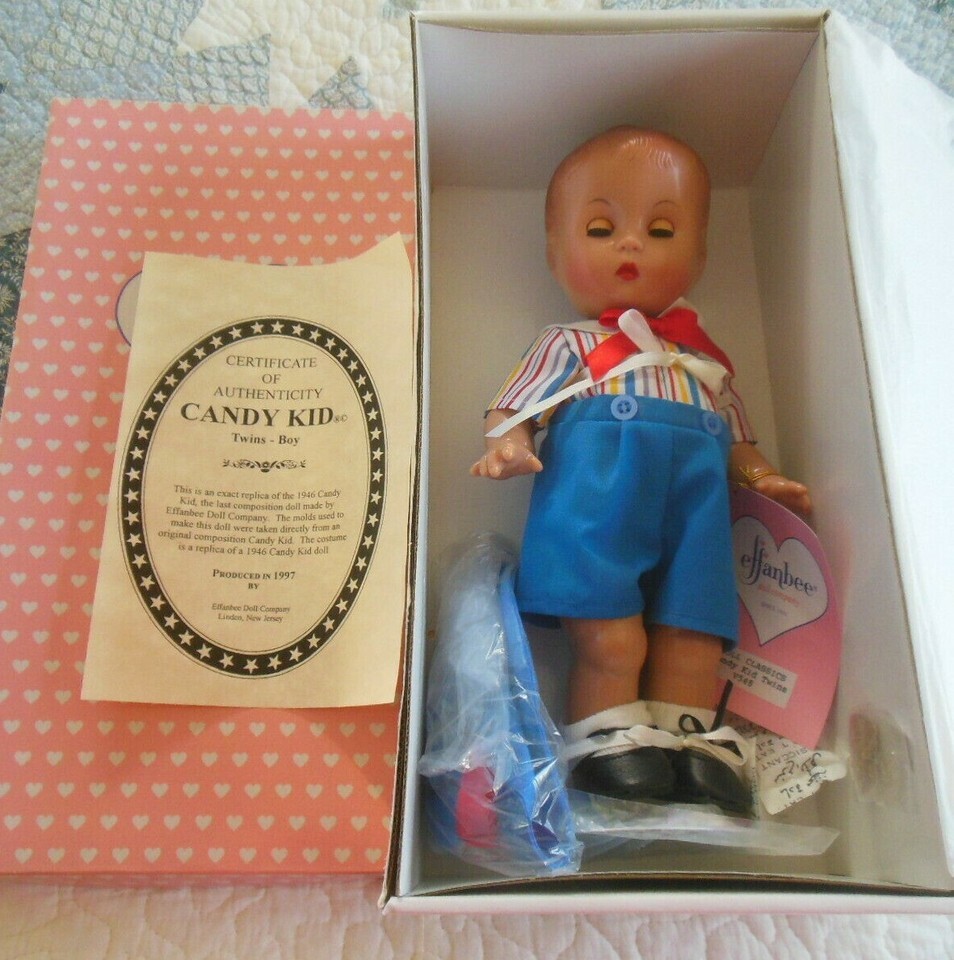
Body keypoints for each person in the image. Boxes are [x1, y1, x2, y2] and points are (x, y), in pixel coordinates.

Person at [471, 127, 811, 812]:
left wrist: (761, 477)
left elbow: (736, 438)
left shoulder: (703, 362)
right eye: (601, 229)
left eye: (661, 230)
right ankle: (608, 740)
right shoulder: (568, 343)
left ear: (700, 253)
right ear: (554, 250)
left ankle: (688, 743)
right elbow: (514, 406)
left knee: (695, 635)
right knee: (613, 638)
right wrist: (508, 442)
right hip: (596, 503)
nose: (631, 244)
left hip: (695, 513)